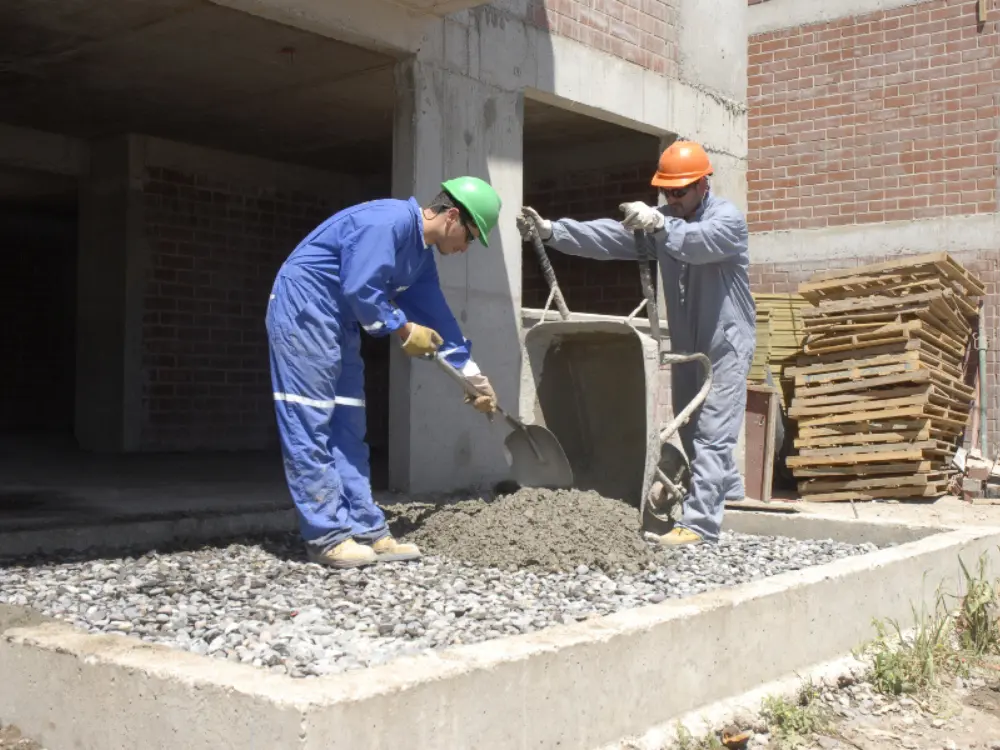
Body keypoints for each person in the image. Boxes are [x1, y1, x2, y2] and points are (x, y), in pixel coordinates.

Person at [516, 141, 755, 547]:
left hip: (725, 343)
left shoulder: (726, 220)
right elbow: (611, 237)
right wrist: (554, 231)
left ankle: (701, 526)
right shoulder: (666, 220)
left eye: (679, 192)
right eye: (666, 192)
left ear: (703, 185)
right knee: (691, 424)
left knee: (714, 431)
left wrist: (661, 225)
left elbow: (698, 243)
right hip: (687, 341)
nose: (671, 200)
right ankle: (721, 493)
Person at [266, 177, 503, 568]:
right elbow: (362, 288)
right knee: (309, 420)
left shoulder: (419, 258)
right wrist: (404, 328)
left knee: (348, 426)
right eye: (471, 236)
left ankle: (366, 528)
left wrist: (473, 377)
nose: (465, 248)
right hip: (305, 311)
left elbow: (436, 317)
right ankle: (326, 536)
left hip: (340, 324)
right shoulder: (388, 223)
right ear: (452, 217)